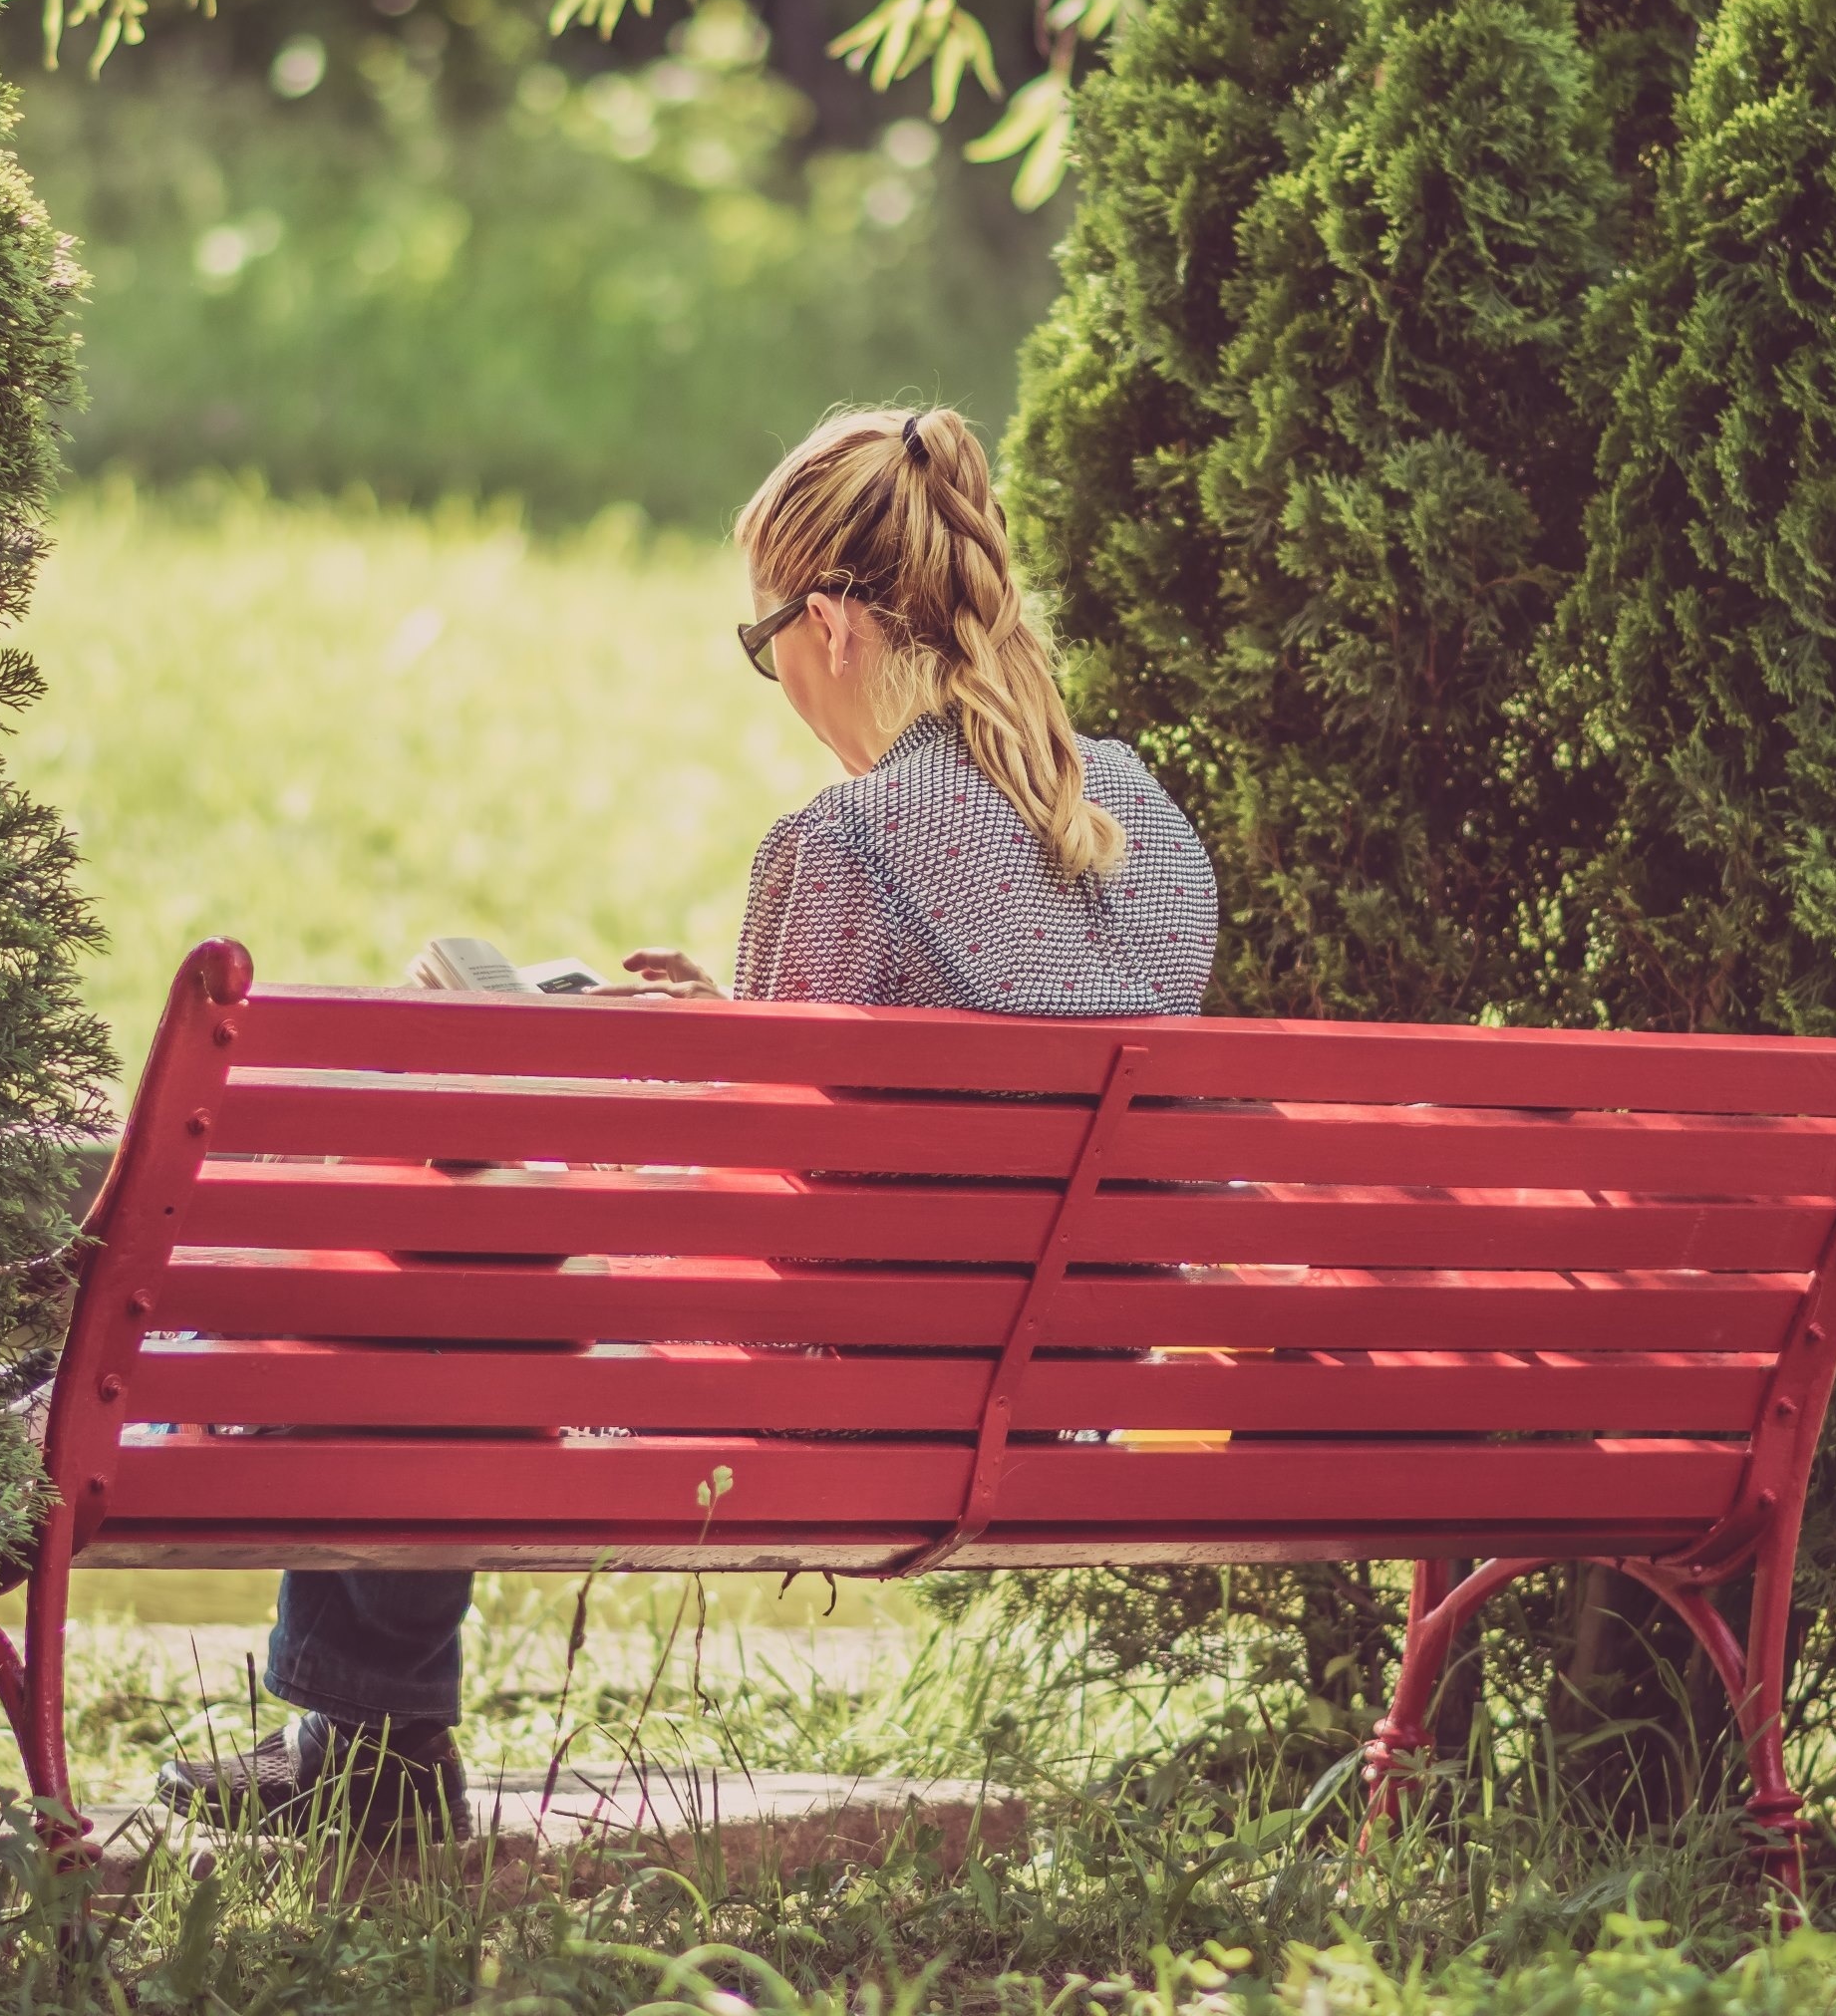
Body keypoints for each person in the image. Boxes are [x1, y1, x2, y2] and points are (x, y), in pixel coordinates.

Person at [153, 406, 1218, 1841]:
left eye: (761, 634)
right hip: (1054, 1389)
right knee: (457, 1224)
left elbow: (759, 1201)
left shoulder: (842, 843)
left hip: (841, 1407)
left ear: (832, 624)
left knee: (448, 1235)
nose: (772, 671)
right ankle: (353, 1734)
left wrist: (620, 1080)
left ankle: (360, 1740)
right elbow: (960, 1085)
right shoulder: (1144, 818)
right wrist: (731, 1025)